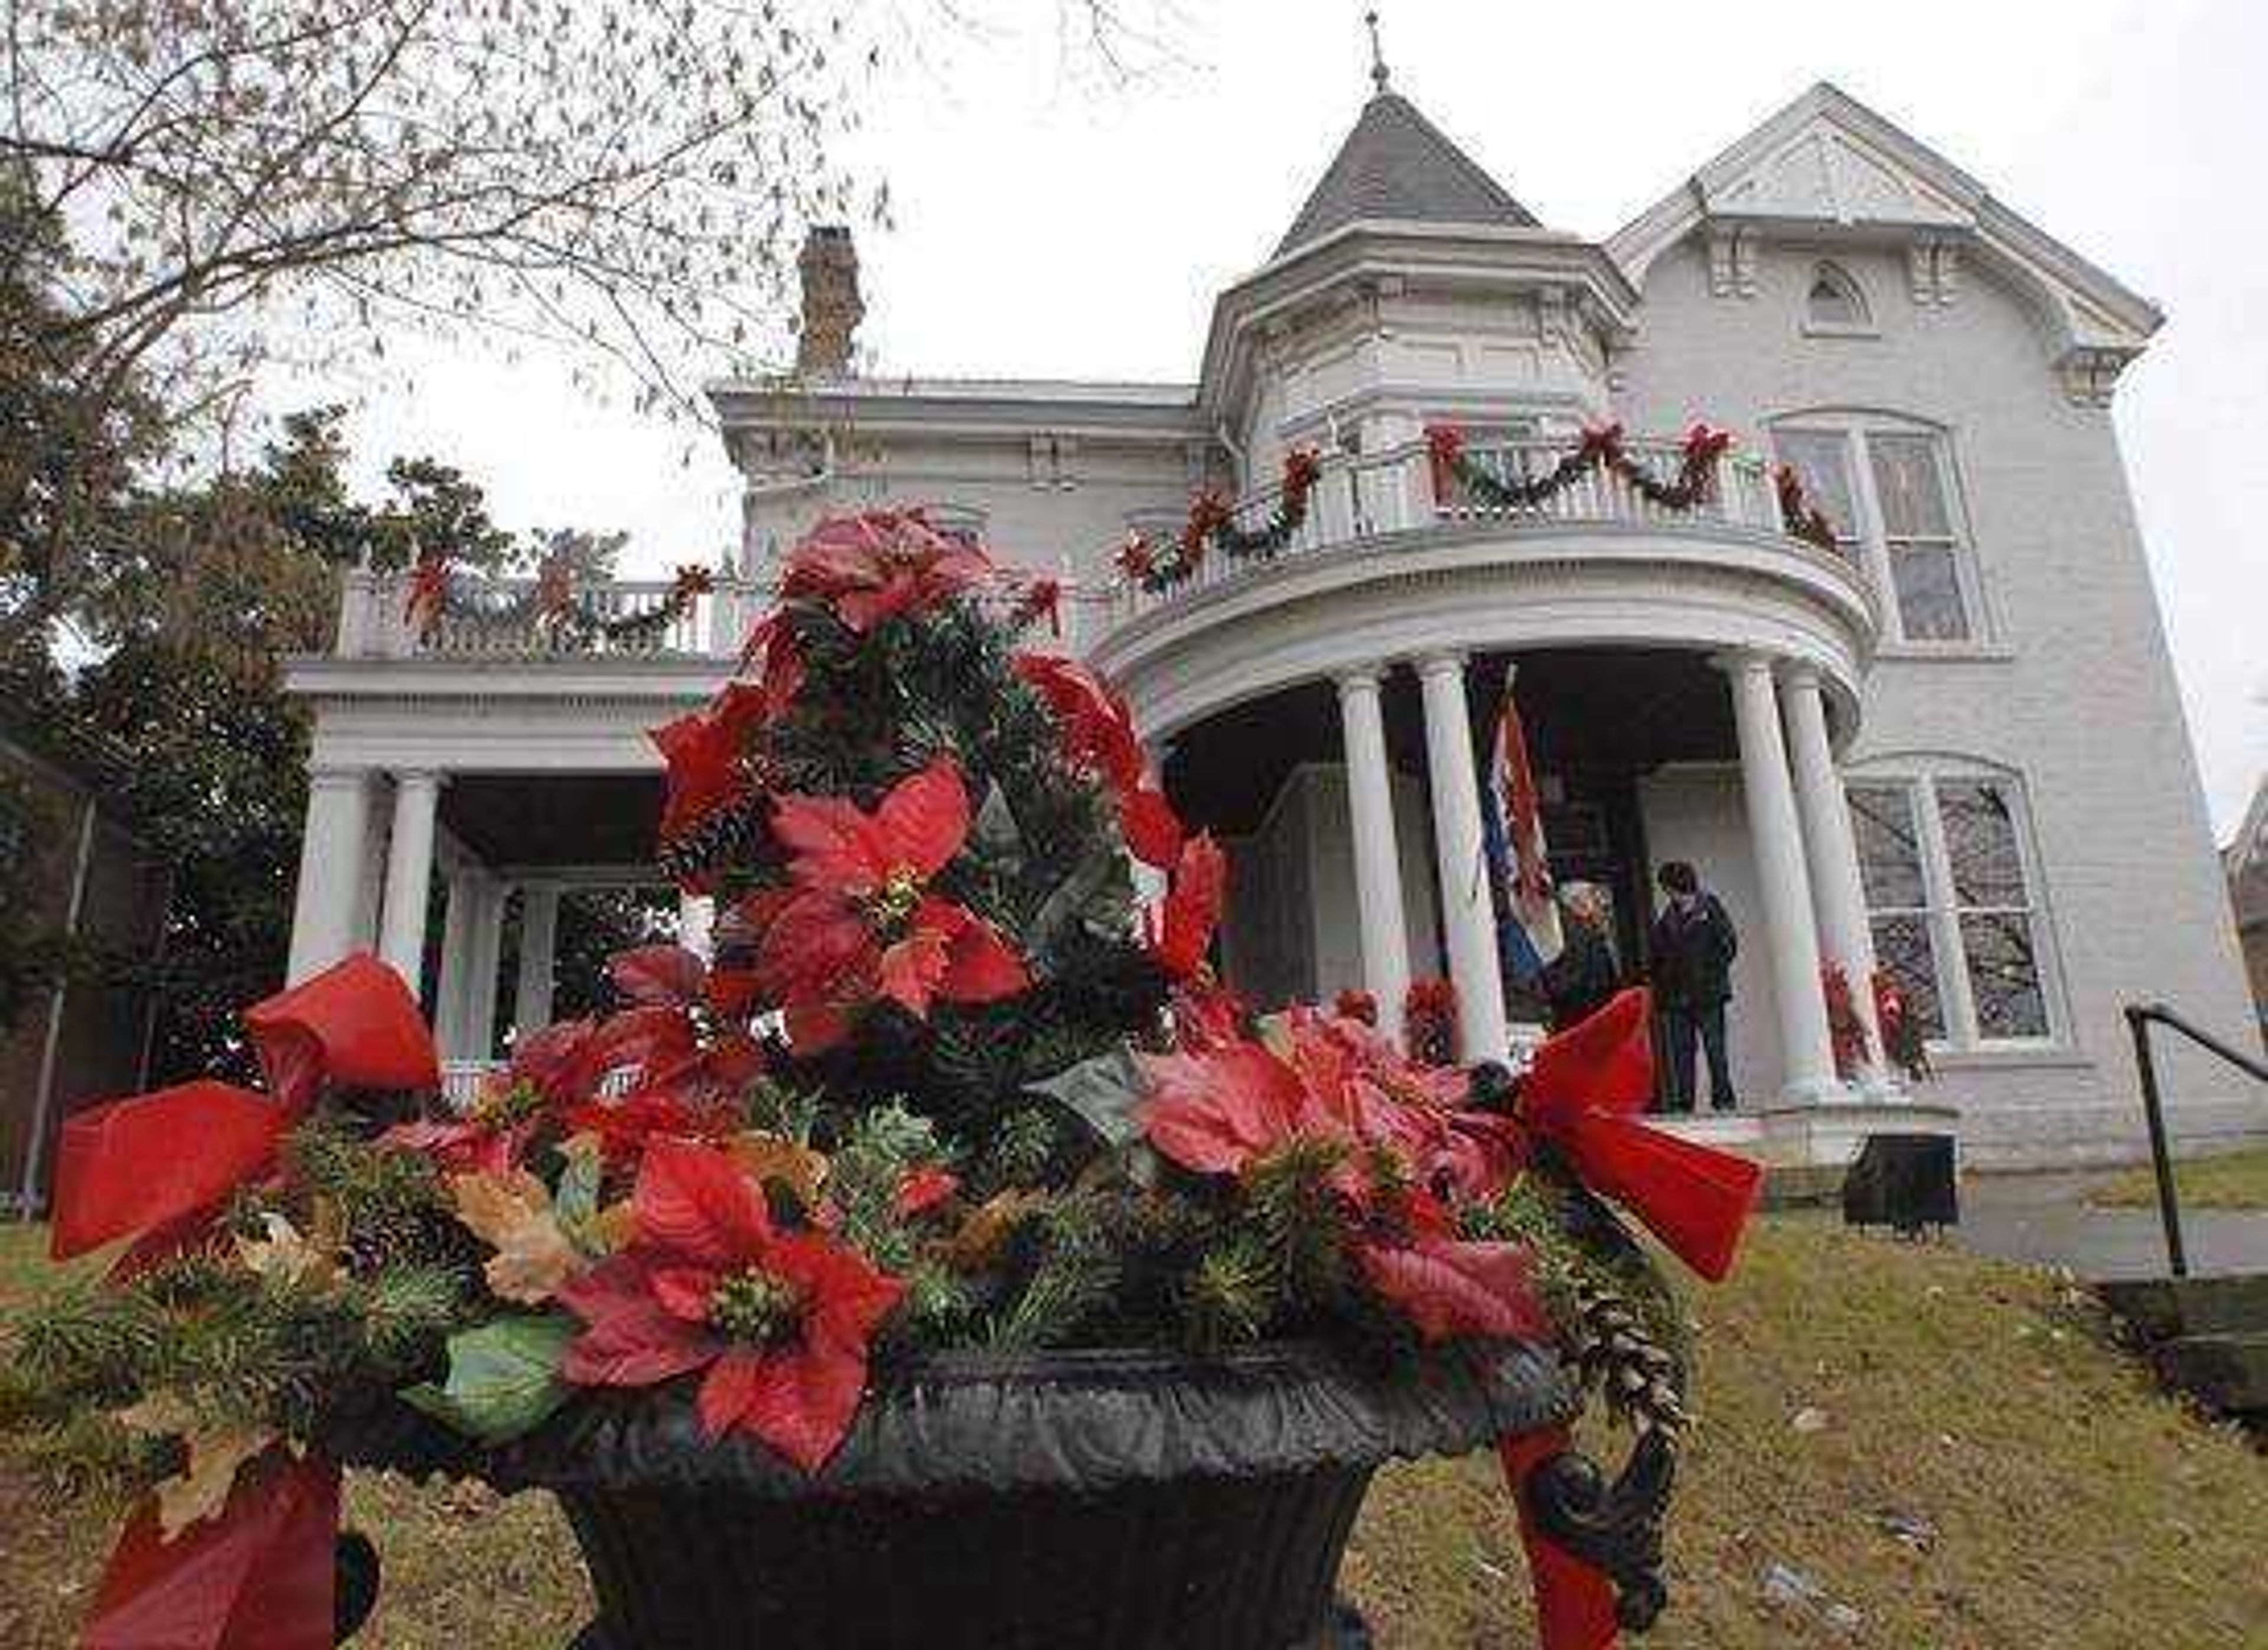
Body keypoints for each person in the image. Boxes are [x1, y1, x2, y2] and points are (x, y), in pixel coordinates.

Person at [1648, 861, 1739, 1111]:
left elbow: (1728, 946)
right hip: (1677, 998)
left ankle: (1724, 1101)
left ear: (1673, 886)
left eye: (1666, 886)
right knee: (1682, 1054)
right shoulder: (1667, 918)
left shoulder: (1710, 908)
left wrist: (1709, 975)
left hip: (1709, 996)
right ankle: (1683, 1104)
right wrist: (1662, 984)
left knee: (1715, 1049)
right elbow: (1657, 957)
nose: (1667, 892)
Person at [1541, 880, 1619, 1031]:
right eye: (1595, 901)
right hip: (1584, 1021)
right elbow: (1572, 981)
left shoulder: (1589, 933)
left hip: (1592, 1017)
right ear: (1578, 905)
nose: (1602, 908)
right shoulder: (1576, 935)